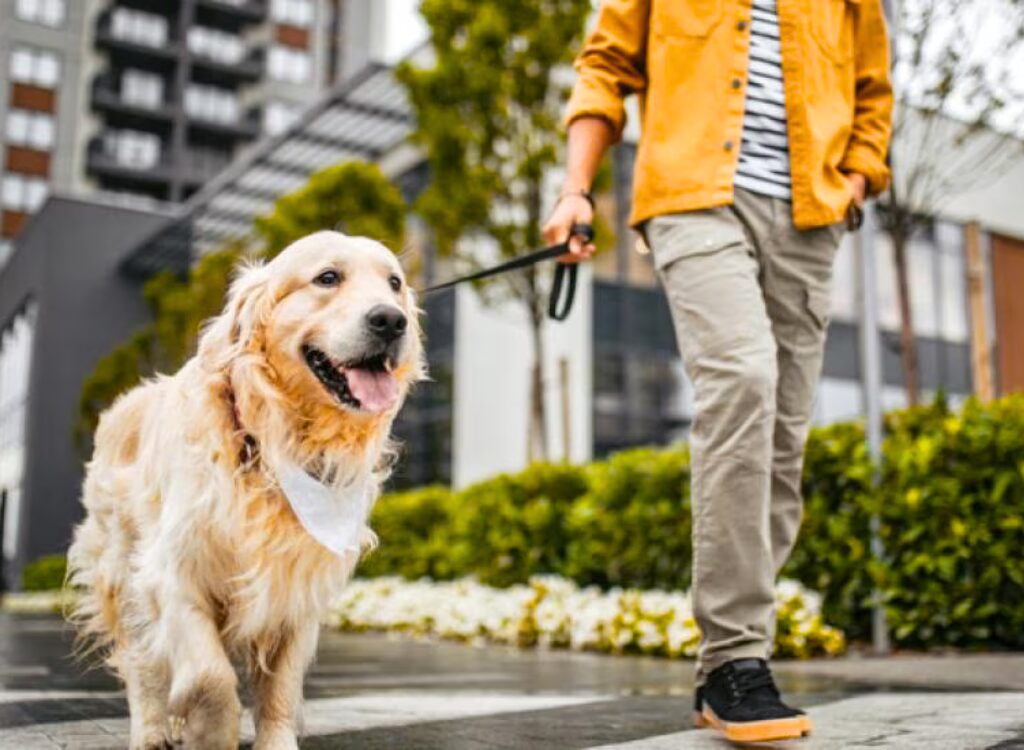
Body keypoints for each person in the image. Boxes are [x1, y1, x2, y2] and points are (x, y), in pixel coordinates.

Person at [543, 0, 893, 743]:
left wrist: (853, 183)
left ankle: (734, 659)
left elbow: (872, 90)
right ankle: (735, 657)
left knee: (782, 440)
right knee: (741, 381)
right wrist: (577, 187)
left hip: (811, 218)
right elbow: (605, 67)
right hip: (694, 198)